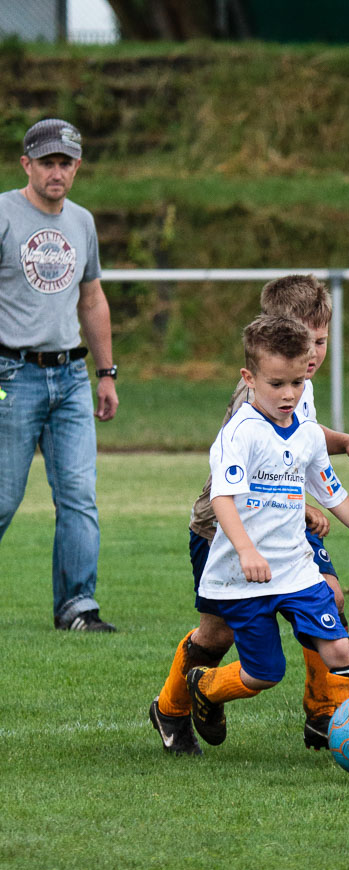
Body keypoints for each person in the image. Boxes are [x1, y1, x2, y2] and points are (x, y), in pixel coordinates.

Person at [150, 275, 349, 755]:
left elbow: (303, 438)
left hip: (283, 524)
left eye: (320, 340)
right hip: (225, 528)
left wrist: (342, 442)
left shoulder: (297, 380)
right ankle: (172, 708)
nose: (312, 352)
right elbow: (253, 470)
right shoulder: (253, 397)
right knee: (218, 632)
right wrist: (305, 505)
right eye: (303, 340)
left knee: (328, 596)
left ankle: (326, 713)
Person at [183, 315, 349, 750]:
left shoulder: (307, 433)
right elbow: (222, 499)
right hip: (242, 576)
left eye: (296, 383)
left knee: (341, 654)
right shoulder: (240, 434)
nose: (289, 394)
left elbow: (335, 496)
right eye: (276, 384)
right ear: (249, 379)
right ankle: (206, 687)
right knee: (264, 674)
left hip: (296, 568)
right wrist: (247, 549)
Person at [0, 118, 118, 631]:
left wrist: (106, 372)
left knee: (78, 496)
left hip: (70, 376)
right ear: (26, 164)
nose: (56, 171)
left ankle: (77, 607)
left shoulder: (82, 222)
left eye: (65, 162)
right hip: (11, 374)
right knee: (4, 497)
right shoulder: (3, 214)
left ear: (77, 166)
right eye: (46, 162)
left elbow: (91, 298)